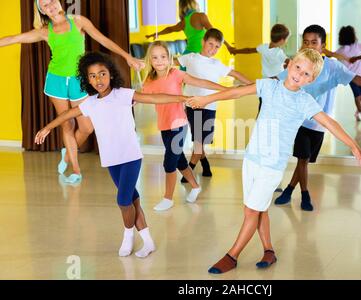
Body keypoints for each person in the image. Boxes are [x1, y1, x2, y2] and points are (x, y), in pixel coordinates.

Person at [187, 48, 361, 274]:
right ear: (289, 63)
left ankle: (232, 256)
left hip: (272, 165)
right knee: (258, 208)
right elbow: (236, 93)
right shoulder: (269, 86)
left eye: (307, 75)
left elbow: (329, 123)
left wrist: (354, 146)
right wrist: (206, 99)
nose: (299, 75)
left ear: (312, 80)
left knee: (252, 211)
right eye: (298, 68)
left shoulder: (305, 101)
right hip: (252, 158)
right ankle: (269, 251)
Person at [35, 52, 185, 258]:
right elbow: (68, 115)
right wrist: (47, 128)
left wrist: (185, 98)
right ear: (87, 79)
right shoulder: (90, 103)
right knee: (132, 200)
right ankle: (148, 242)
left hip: (130, 156)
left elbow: (153, 98)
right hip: (111, 160)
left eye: (102, 74)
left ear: (111, 75)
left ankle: (128, 236)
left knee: (123, 201)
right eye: (93, 76)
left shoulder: (122, 94)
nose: (98, 80)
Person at [0, 0, 144, 184]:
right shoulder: (45, 31)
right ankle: (76, 170)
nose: (50, 5)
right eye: (44, 5)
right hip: (56, 81)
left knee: (86, 127)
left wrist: (127, 57)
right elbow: (14, 38)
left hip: (79, 81)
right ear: (41, 10)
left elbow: (102, 39)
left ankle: (67, 154)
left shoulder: (78, 21)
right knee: (66, 125)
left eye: (51, 0)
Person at [274, 25, 361, 211]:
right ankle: (305, 195)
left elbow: (357, 78)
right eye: (305, 42)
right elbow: (277, 79)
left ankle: (289, 190)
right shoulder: (298, 63)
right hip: (298, 120)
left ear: (323, 45)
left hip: (320, 123)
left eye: (314, 42)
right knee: (302, 158)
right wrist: (252, 86)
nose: (309, 46)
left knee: (304, 161)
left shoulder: (333, 67)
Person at [141, 41, 228, 211]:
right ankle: (195, 186)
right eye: (155, 57)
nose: (159, 61)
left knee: (169, 162)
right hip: (164, 125)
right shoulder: (149, 81)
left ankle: (168, 198)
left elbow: (201, 82)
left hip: (179, 124)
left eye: (163, 57)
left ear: (169, 58)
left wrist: (224, 90)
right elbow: (141, 98)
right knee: (179, 160)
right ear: (150, 60)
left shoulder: (175, 74)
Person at [176, 28, 253, 182]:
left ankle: (202, 164)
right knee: (198, 140)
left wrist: (253, 84)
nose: (213, 49)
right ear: (203, 42)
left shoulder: (217, 64)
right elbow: (168, 62)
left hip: (210, 108)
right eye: (210, 44)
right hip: (193, 105)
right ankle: (191, 169)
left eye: (217, 47)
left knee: (201, 140)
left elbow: (236, 74)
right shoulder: (190, 58)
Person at [146, 0, 232, 55]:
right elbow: (215, 33)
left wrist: (156, 34)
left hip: (187, 54)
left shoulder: (183, 22)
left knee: (186, 83)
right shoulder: (200, 16)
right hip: (199, 55)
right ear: (194, 3)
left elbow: (170, 29)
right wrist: (228, 46)